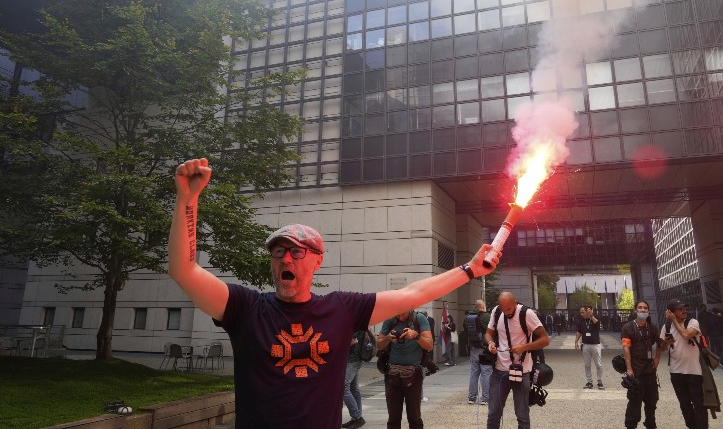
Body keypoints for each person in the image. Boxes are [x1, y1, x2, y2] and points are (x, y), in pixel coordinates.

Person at [167, 158, 499, 428]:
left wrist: (469, 270)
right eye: (278, 251)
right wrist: (188, 200)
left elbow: (411, 294)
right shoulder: (246, 308)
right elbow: (184, 270)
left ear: (317, 260)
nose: (285, 258)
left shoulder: (342, 309)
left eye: (297, 252)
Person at [483, 292, 550, 429]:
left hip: (522, 371)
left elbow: (545, 339)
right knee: (494, 413)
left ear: (515, 303)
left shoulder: (526, 313)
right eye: (503, 309)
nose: (506, 312)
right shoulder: (496, 312)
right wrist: (490, 343)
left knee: (522, 415)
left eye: (509, 309)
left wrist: (524, 347)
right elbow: (488, 334)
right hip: (499, 371)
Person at [376, 310, 432, 429]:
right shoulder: (389, 320)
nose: (401, 317)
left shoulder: (419, 318)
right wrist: (388, 338)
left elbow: (429, 345)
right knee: (393, 419)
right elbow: (378, 345)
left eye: (403, 313)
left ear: (409, 307)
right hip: (392, 373)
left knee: (414, 417)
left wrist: (416, 335)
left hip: (414, 373)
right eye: (398, 314)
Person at [661, 299, 708, 429]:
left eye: (684, 308)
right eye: (680, 309)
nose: (684, 311)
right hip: (676, 372)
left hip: (693, 371)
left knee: (699, 404)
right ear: (671, 312)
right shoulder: (666, 327)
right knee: (684, 404)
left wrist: (674, 320)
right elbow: (663, 348)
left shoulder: (692, 322)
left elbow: (686, 335)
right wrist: (666, 342)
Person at [621, 300, 662, 429]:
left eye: (645, 308)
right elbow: (626, 348)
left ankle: (650, 423)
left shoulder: (652, 327)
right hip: (635, 368)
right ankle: (631, 425)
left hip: (650, 368)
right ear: (635, 310)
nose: (643, 310)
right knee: (634, 400)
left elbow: (660, 344)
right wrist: (629, 368)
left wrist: (657, 358)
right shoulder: (628, 327)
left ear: (648, 311)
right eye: (640, 308)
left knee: (652, 399)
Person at [463, 299, 492, 405]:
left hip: (473, 348)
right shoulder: (486, 316)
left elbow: (466, 331)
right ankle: (485, 398)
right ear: (483, 306)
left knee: (474, 373)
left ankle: (471, 397)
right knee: (486, 372)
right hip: (484, 348)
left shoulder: (468, 317)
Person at [342, 330, 367, 428]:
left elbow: (351, 341)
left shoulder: (355, 323)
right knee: (354, 388)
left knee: (344, 386)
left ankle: (357, 416)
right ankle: (356, 418)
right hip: (353, 359)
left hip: (353, 360)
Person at [575, 305, 604, 390]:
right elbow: (579, 331)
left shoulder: (595, 318)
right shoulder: (581, 320)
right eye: (580, 312)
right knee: (587, 365)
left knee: (598, 364)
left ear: (588, 311)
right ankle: (589, 382)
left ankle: (599, 381)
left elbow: (598, 325)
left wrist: (591, 315)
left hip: (595, 345)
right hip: (585, 345)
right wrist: (576, 341)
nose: (581, 314)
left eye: (583, 312)